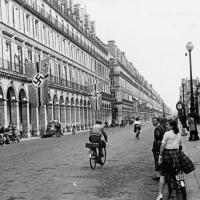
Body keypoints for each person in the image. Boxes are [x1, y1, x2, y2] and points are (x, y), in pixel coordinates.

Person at [156, 120, 195, 200]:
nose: (166, 126)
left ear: (172, 126)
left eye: (167, 125)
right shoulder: (178, 134)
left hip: (167, 154)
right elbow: (180, 145)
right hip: (177, 154)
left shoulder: (167, 134)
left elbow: (162, 146)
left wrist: (160, 156)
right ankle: (181, 183)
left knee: (163, 174)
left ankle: (160, 194)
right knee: (179, 170)